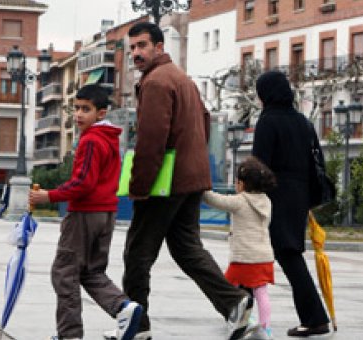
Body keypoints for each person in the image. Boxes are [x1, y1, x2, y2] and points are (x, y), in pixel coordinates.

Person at [117, 21, 253, 340]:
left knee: (137, 254)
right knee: (187, 247)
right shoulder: (183, 79)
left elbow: (152, 140)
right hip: (192, 177)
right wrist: (193, 160)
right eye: (132, 47)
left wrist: (139, 187)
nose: (136, 52)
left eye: (142, 46)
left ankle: (138, 325)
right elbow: (204, 121)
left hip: (165, 182)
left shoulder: (155, 83)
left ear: (159, 47)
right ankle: (234, 302)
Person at [29, 84, 143, 340]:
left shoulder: (91, 140)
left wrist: (50, 195)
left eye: (86, 109)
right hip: (106, 214)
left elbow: (83, 183)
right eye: (76, 108)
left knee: (65, 272)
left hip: (84, 215)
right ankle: (124, 307)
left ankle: (69, 335)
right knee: (92, 271)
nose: (79, 114)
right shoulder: (109, 139)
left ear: (100, 113)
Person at [251, 70, 331, 337]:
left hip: (274, 195)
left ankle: (315, 318)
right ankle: (236, 307)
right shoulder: (301, 121)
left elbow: (258, 166)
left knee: (282, 254)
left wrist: (249, 197)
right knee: (275, 252)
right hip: (300, 195)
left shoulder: (268, 121)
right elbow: (315, 161)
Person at [202, 156, 277, 340]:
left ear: (242, 184)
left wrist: (201, 190)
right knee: (261, 292)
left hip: (243, 258)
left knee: (227, 287)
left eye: (237, 181)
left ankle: (245, 320)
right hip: (264, 257)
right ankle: (266, 328)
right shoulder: (267, 202)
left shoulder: (240, 201)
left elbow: (217, 201)